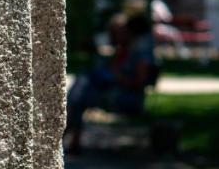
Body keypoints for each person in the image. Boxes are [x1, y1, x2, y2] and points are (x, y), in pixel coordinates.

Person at [64, 12, 157, 154]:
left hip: (126, 98)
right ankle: (69, 139)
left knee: (79, 95)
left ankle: (66, 137)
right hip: (115, 92)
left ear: (132, 32)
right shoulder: (128, 49)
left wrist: (117, 76)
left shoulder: (141, 53)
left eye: (124, 32)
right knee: (81, 87)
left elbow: (139, 83)